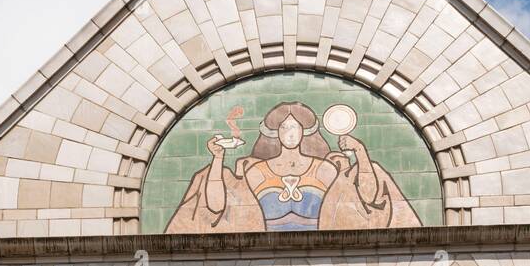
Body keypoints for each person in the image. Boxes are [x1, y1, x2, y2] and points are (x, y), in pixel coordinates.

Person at [165, 101, 421, 233]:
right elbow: (217, 206)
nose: (289, 132)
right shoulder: (255, 171)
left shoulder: (326, 169)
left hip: (324, 258)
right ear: (275, 133)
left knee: (376, 167)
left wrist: (361, 153)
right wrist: (218, 159)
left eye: (295, 127)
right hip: (262, 259)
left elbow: (369, 198)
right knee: (205, 175)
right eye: (284, 127)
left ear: (304, 132)